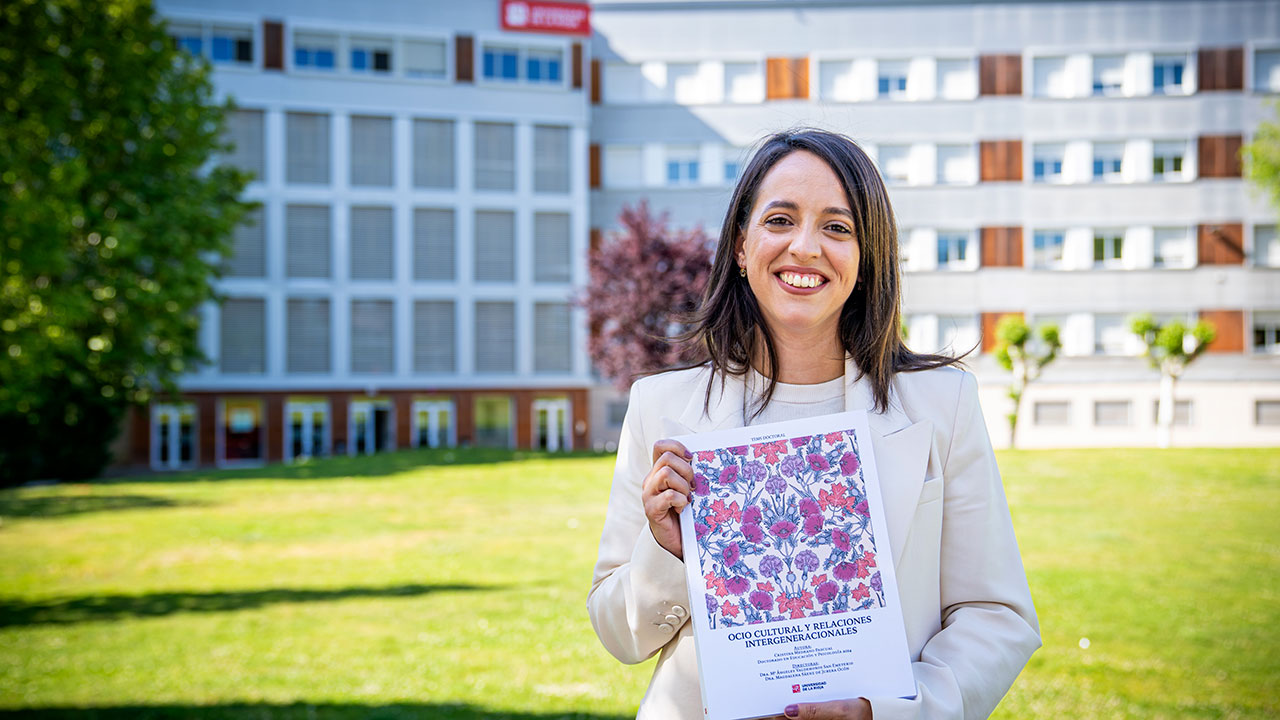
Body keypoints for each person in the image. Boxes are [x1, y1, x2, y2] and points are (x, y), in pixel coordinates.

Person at [587, 128, 1040, 720]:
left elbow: (995, 616)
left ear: (866, 256)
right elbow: (620, 637)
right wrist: (668, 553)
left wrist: (884, 711)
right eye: (780, 219)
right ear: (742, 247)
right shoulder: (660, 406)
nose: (805, 246)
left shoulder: (942, 403)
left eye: (837, 226)